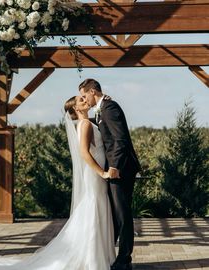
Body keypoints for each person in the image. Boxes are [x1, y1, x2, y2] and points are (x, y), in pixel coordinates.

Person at [0, 95, 116, 270]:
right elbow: (85, 154)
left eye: (84, 98)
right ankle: (93, 259)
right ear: (76, 109)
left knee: (95, 207)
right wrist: (102, 172)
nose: (85, 100)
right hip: (96, 173)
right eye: (81, 101)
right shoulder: (85, 125)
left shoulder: (87, 123)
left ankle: (97, 256)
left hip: (94, 174)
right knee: (94, 208)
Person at [79, 79, 141, 270]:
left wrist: (114, 166)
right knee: (116, 214)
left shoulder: (109, 107)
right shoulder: (102, 108)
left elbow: (120, 140)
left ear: (92, 91)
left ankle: (124, 260)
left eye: (84, 95)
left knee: (122, 214)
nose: (84, 99)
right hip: (114, 169)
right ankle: (111, 254)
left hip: (120, 169)